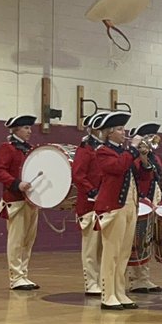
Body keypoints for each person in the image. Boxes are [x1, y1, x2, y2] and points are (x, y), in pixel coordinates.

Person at [94, 111, 147, 311]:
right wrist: (133, 150)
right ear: (108, 133)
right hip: (113, 207)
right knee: (111, 252)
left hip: (130, 205)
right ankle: (108, 294)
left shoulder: (125, 152)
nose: (123, 132)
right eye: (118, 129)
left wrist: (143, 156)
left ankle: (119, 291)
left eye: (123, 128)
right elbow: (117, 167)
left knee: (124, 252)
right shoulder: (103, 150)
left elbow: (140, 175)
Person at [0, 113, 40, 291]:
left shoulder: (29, 149)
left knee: (28, 240)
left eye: (30, 128)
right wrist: (17, 184)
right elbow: (0, 172)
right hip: (15, 200)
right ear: (16, 130)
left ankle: (23, 274)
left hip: (30, 201)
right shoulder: (7, 148)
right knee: (16, 240)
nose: (30, 131)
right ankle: (15, 277)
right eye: (26, 128)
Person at [127, 121, 162, 294]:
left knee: (148, 241)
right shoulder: (134, 157)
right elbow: (142, 174)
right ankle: (135, 280)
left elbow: (157, 178)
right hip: (141, 199)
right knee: (138, 241)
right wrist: (142, 156)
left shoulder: (155, 157)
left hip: (155, 198)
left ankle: (144, 278)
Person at [72, 110, 106, 296]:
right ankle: (91, 282)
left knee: (104, 247)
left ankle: (102, 280)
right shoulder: (85, 149)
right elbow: (78, 175)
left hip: (104, 205)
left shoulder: (104, 149)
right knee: (91, 249)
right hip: (90, 205)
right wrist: (92, 191)